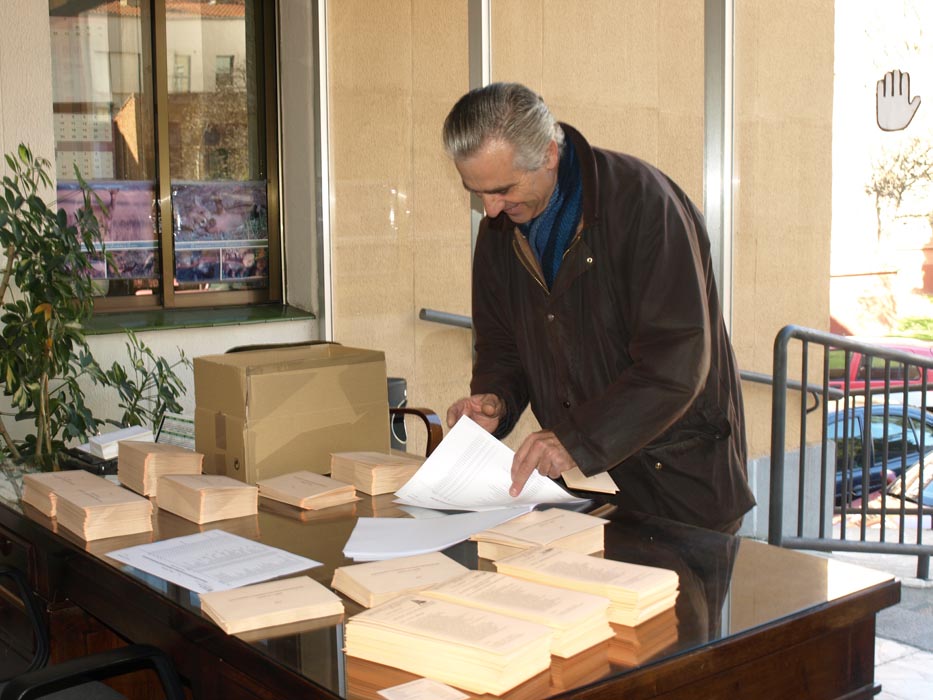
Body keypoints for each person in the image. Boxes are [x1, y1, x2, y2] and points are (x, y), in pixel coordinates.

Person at [442, 82, 755, 534]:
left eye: (502, 189)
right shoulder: (500, 232)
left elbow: (677, 362)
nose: (489, 210)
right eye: (476, 192)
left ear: (548, 155)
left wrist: (576, 440)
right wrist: (496, 398)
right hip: (590, 492)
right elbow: (502, 347)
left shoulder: (644, 205)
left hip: (681, 490)